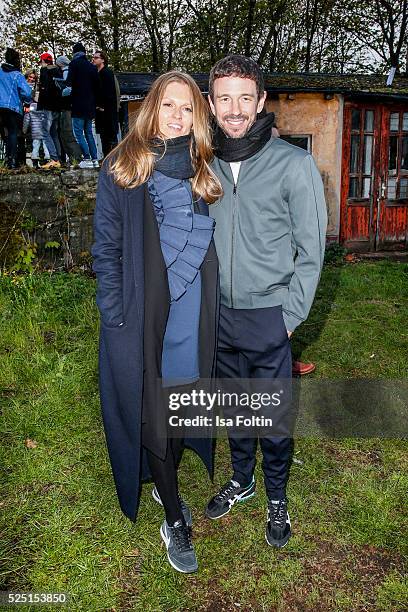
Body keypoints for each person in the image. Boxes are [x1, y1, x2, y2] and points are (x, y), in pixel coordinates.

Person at [92, 71, 222, 573]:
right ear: (151, 107)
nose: (177, 116)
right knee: (155, 416)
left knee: (182, 408)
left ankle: (166, 482)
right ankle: (174, 515)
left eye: (188, 109)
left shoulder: (201, 167)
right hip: (144, 318)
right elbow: (105, 250)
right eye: (169, 105)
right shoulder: (123, 167)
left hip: (191, 314)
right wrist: (116, 314)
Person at [205, 55, 327, 548]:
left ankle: (276, 494)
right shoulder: (201, 163)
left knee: (272, 419)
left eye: (244, 97)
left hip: (269, 316)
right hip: (216, 315)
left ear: (260, 102)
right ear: (211, 105)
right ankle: (243, 479)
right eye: (224, 98)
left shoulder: (293, 165)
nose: (234, 108)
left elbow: (312, 248)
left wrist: (290, 318)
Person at [66, 43, 99, 169]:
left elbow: (69, 83)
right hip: (90, 105)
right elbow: (97, 86)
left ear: (74, 53)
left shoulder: (74, 64)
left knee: (79, 133)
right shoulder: (92, 67)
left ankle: (86, 157)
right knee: (89, 133)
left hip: (78, 104)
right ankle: (95, 159)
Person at [0, 48, 32, 168]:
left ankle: (5, 160)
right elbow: (27, 93)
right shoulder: (17, 75)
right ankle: (11, 162)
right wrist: (27, 103)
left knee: (5, 135)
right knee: (13, 133)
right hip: (12, 108)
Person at [55, 55, 82, 166]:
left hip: (66, 108)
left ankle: (76, 157)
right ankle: (74, 158)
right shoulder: (69, 71)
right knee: (65, 133)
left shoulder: (66, 72)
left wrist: (60, 91)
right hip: (68, 107)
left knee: (67, 133)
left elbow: (68, 89)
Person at [37, 52, 62, 169]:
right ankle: (59, 158)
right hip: (57, 107)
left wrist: (39, 106)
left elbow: (44, 90)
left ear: (43, 61)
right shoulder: (58, 71)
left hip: (47, 107)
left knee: (45, 132)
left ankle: (54, 158)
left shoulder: (45, 71)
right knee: (54, 133)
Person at [92, 50, 119, 157]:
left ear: (102, 59)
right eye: (93, 57)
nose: (93, 59)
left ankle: (113, 159)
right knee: (104, 136)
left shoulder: (107, 73)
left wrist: (103, 106)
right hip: (101, 110)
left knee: (110, 136)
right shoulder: (98, 73)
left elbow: (110, 92)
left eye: (96, 57)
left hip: (107, 110)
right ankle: (107, 158)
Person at [23, 101, 50, 167]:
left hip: (35, 132)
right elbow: (49, 119)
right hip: (44, 131)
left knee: (35, 146)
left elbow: (26, 121)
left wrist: (24, 130)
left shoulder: (30, 110)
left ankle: (35, 162)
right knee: (46, 146)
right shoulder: (44, 108)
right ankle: (48, 160)